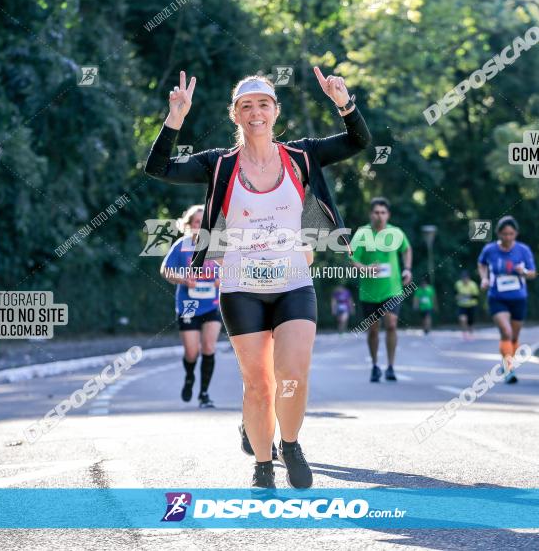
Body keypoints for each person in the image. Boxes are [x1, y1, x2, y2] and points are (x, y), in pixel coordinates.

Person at [145, 68, 371, 489]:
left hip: (293, 284)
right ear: (235, 115)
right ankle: (262, 464)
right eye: (245, 105)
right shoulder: (219, 164)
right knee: (258, 384)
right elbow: (157, 168)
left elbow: (359, 141)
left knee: (292, 375)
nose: (255, 112)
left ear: (275, 111)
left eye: (263, 104)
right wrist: (175, 116)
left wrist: (344, 102)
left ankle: (291, 443)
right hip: (240, 288)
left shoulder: (302, 156)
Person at [160, 205, 222, 408]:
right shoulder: (182, 245)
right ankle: (189, 377)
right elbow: (166, 271)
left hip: (212, 305)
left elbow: (233, 269)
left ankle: (204, 394)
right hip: (188, 305)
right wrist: (184, 280)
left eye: (205, 223)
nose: (201, 226)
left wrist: (222, 280)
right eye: (197, 222)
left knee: (209, 347)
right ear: (189, 225)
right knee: (192, 352)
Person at [351, 198, 413, 382]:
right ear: (371, 214)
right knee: (373, 330)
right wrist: (366, 269)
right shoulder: (362, 233)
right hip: (369, 292)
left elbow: (407, 249)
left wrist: (407, 268)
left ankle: (391, 366)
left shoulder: (396, 232)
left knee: (392, 324)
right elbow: (352, 259)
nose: (380, 216)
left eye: (383, 212)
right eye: (376, 212)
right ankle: (375, 365)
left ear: (388, 215)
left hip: (392, 290)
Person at [478, 216, 536, 384]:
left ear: (516, 233)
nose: (508, 237)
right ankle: (509, 369)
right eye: (504, 234)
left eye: (511, 234)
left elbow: (533, 273)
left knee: (514, 337)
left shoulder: (523, 250)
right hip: (497, 297)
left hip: (519, 297)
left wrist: (523, 271)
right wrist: (484, 278)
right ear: (498, 233)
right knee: (506, 332)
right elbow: (481, 264)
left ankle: (508, 361)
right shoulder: (489, 250)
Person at [455, 270, 480, 340]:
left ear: (468, 278)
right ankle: (464, 333)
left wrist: (468, 296)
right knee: (462, 319)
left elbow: (476, 296)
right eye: (463, 279)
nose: (464, 280)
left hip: (471, 305)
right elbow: (455, 293)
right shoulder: (458, 284)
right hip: (462, 305)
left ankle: (471, 333)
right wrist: (457, 297)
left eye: (465, 278)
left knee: (470, 321)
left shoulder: (473, 284)